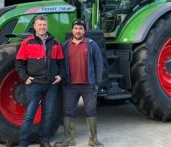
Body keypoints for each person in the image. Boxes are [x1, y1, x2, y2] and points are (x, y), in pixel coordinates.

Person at [15, 15, 65, 147]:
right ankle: (23, 142)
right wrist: (25, 78)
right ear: (35, 27)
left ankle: (44, 140)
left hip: (51, 85)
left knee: (48, 114)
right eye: (39, 25)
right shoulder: (27, 42)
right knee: (29, 115)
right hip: (34, 84)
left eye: (44, 25)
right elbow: (19, 63)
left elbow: (61, 62)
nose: (42, 27)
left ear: (47, 26)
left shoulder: (55, 43)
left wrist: (60, 75)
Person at [55, 19, 104, 147]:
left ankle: (93, 140)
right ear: (72, 30)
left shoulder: (92, 45)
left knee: (91, 111)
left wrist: (97, 82)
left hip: (88, 85)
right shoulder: (65, 46)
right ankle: (68, 139)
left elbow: (99, 63)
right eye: (76, 28)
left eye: (80, 28)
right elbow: (60, 64)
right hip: (70, 86)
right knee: (68, 112)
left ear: (84, 30)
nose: (78, 31)